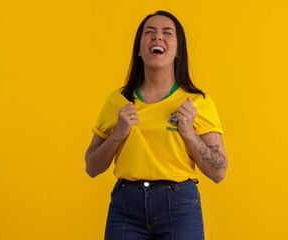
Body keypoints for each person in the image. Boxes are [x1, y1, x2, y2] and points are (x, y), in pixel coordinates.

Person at [85, 10, 228, 240]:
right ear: (139, 50)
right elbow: (91, 167)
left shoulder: (197, 102)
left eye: (167, 33)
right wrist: (118, 134)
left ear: (178, 50)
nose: (157, 37)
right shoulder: (117, 101)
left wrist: (189, 134)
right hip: (126, 208)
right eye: (149, 32)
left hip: (180, 206)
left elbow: (219, 171)